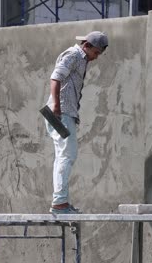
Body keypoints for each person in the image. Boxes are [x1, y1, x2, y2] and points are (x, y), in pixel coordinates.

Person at [45, 31, 108, 214]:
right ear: (86, 46)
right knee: (67, 155)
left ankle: (61, 201)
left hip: (63, 112)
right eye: (96, 53)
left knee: (62, 156)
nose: (96, 58)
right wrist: (56, 105)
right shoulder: (73, 55)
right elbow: (55, 77)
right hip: (61, 112)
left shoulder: (81, 59)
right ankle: (59, 203)